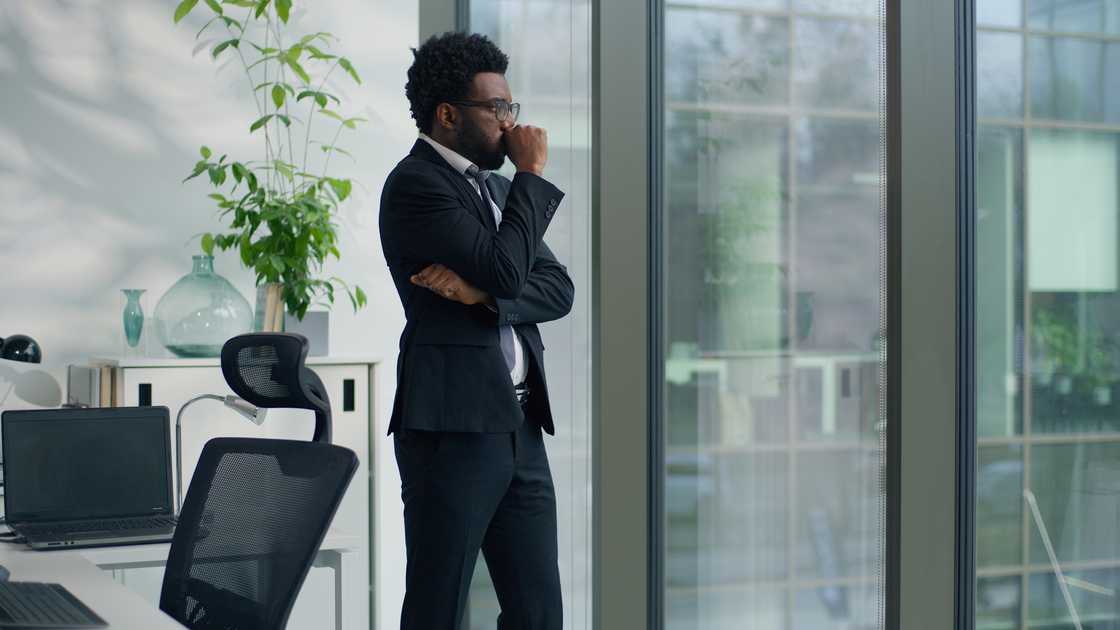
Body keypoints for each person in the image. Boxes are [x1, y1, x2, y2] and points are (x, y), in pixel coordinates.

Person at [378, 31, 573, 630]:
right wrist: (533, 172)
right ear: (448, 115)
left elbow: (558, 290)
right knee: (439, 605)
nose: (512, 124)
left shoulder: (496, 190)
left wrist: (481, 294)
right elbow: (510, 268)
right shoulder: (417, 185)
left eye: (511, 108)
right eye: (499, 109)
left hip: (520, 425)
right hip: (452, 428)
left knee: (538, 612)